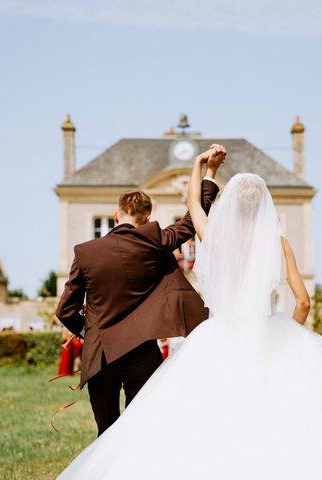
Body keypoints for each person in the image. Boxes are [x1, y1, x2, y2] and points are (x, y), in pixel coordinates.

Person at [57, 155, 322, 479]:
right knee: (276, 415)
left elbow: (193, 209)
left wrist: (202, 167)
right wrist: (285, 334)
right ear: (264, 207)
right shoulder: (279, 243)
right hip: (265, 327)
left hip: (217, 336)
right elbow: (302, 302)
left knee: (203, 415)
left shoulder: (214, 239)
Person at [55, 145, 223, 436]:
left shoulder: (85, 252)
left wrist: (90, 330)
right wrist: (210, 174)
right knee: (140, 434)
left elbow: (65, 310)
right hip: (143, 354)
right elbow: (191, 221)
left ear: (116, 215)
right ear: (147, 218)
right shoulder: (154, 239)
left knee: (106, 434)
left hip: (101, 355)